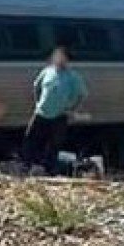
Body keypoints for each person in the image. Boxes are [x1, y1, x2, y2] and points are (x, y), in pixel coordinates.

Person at [23, 46, 87, 174]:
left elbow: (82, 94)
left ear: (67, 59)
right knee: (31, 138)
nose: (58, 59)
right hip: (41, 113)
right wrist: (38, 103)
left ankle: (49, 169)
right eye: (56, 56)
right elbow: (36, 86)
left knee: (54, 144)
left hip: (59, 115)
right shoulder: (46, 71)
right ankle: (28, 164)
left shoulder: (73, 76)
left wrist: (72, 109)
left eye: (61, 57)